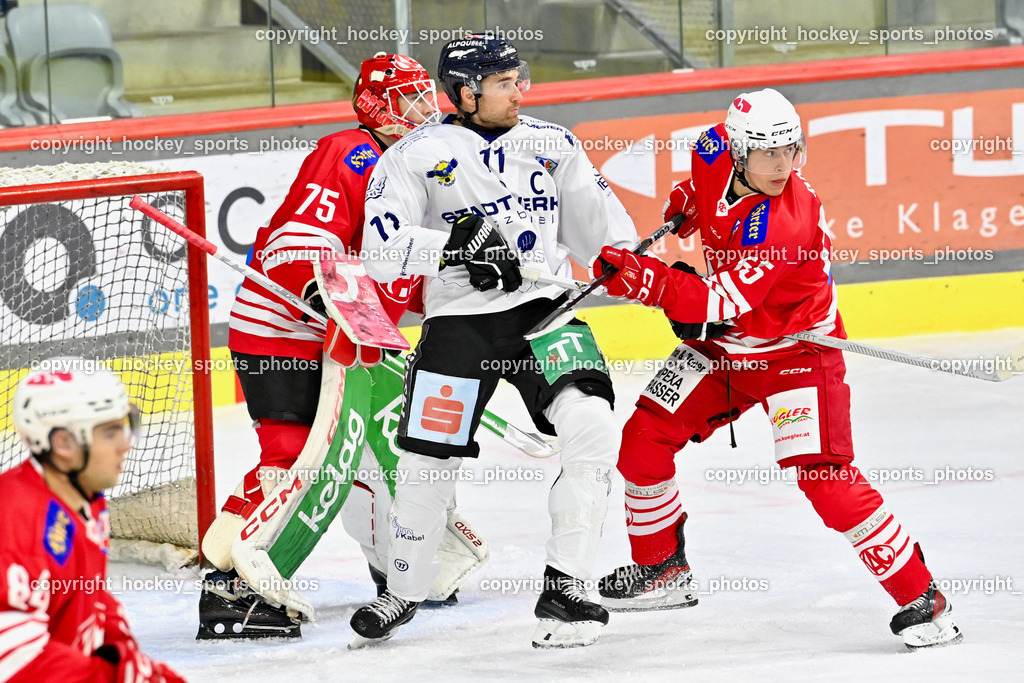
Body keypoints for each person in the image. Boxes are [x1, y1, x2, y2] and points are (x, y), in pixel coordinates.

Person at [593, 88, 963, 650]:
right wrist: (688, 204)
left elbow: (715, 302)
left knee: (825, 479)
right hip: (725, 352)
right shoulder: (712, 148)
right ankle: (662, 568)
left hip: (795, 356)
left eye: (791, 151)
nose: (783, 166)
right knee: (642, 438)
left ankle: (923, 597)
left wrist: (646, 280)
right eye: (768, 154)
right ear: (737, 150)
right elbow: (700, 189)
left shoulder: (787, 219)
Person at [353, 34, 640, 649]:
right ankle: (402, 591)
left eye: (519, 78)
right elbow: (379, 254)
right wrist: (456, 245)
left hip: (545, 313)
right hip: (459, 323)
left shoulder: (553, 143)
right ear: (465, 92)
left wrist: (633, 264)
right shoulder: (411, 155)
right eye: (506, 82)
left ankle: (567, 586)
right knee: (428, 457)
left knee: (592, 424)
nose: (520, 91)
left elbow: (607, 237)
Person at [197, 53, 487, 639]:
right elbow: (296, 239)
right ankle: (234, 585)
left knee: (380, 449)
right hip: (284, 328)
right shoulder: (352, 153)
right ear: (377, 106)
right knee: (301, 454)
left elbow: (412, 279)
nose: (425, 110)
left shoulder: (418, 170)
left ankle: (400, 565)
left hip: (341, 340)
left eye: (426, 97)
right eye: (410, 99)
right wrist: (321, 287)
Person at [0, 360, 185, 682]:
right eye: (110, 431)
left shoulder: (87, 500)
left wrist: (129, 659)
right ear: (63, 444)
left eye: (127, 424)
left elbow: (89, 595)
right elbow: (14, 659)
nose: (125, 443)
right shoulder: (16, 526)